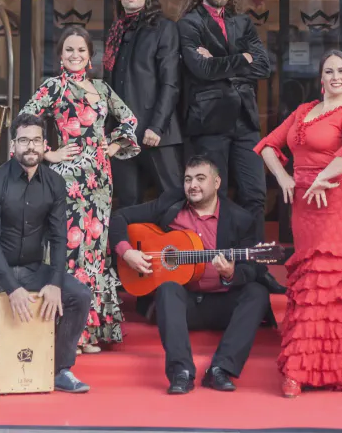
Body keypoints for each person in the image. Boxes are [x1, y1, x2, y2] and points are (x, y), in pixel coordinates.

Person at [255, 48, 342, 397]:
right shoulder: (304, 112)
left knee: (327, 285)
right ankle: (312, 365)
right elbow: (268, 145)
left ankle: (299, 372)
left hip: (335, 205)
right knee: (310, 286)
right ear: (321, 78)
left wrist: (321, 177)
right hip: (304, 207)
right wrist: (283, 177)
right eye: (329, 71)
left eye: (341, 71)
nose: (335, 76)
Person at [111, 156, 278, 395]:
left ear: (217, 182)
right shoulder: (171, 204)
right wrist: (127, 253)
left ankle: (221, 369)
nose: (193, 185)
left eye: (201, 178)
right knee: (168, 288)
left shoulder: (240, 218)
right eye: (188, 179)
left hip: (222, 304)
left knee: (257, 293)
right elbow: (120, 217)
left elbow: (256, 268)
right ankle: (181, 372)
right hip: (183, 305)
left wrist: (231, 274)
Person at [20, 28, 141, 353]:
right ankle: (70, 334)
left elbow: (129, 120)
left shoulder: (101, 88)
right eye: (69, 50)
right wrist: (49, 153)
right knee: (70, 250)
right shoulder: (53, 86)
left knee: (95, 251)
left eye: (81, 50)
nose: (75, 55)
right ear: (60, 54)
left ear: (90, 55)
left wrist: (113, 147)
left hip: (101, 179)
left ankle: (91, 330)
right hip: (68, 178)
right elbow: (24, 120)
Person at [0, 113, 94, 404]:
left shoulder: (55, 184)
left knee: (80, 295)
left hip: (34, 267)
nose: (30, 146)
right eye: (24, 141)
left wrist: (56, 282)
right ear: (14, 146)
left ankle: (60, 370)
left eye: (35, 140)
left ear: (45, 145)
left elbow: (59, 238)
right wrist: (12, 287)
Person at [175, 0, 271, 220]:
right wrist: (243, 59)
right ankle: (218, 260)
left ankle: (251, 260)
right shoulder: (189, 24)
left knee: (254, 194)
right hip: (210, 120)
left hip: (246, 121)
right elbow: (201, 70)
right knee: (214, 198)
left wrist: (219, 63)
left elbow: (264, 66)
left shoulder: (242, 22)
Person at [104, 0, 183, 209]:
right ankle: (131, 249)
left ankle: (180, 249)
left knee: (173, 200)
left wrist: (156, 127)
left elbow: (171, 83)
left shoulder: (163, 28)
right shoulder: (115, 31)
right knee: (128, 203)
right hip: (122, 135)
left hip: (156, 133)